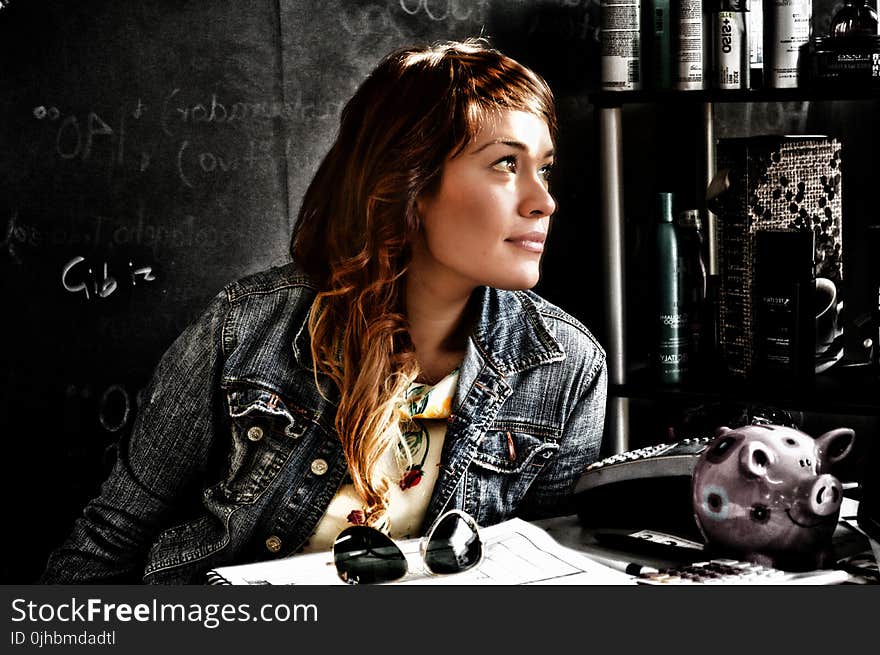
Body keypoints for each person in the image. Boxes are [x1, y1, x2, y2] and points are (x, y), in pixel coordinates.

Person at [40, 38, 607, 584]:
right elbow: (112, 539)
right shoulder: (243, 330)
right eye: (506, 164)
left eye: (545, 168)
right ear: (408, 183)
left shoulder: (567, 366)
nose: (544, 200)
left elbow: (544, 570)